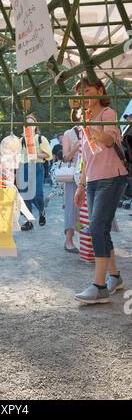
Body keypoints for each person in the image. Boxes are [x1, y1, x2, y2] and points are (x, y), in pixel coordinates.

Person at [74, 77, 127, 304]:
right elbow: (86, 159)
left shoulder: (108, 114)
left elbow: (108, 140)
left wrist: (92, 130)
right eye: (80, 94)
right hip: (94, 180)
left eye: (87, 90)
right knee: (101, 229)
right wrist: (81, 185)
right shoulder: (84, 120)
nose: (84, 97)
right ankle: (115, 277)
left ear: (99, 90)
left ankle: (100, 286)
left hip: (112, 177)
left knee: (96, 227)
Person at [19, 117, 53, 230]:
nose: (28, 126)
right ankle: (29, 221)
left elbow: (48, 155)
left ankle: (41, 211)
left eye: (31, 124)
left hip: (37, 167)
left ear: (35, 126)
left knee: (38, 194)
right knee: (25, 195)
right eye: (26, 125)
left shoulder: (40, 138)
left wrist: (36, 154)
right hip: (24, 168)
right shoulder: (21, 140)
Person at [62, 125, 80, 253]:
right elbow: (65, 157)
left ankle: (89, 240)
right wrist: (75, 149)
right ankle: (68, 240)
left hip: (92, 173)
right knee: (72, 207)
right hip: (74, 175)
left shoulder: (94, 129)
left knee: (89, 210)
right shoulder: (69, 133)